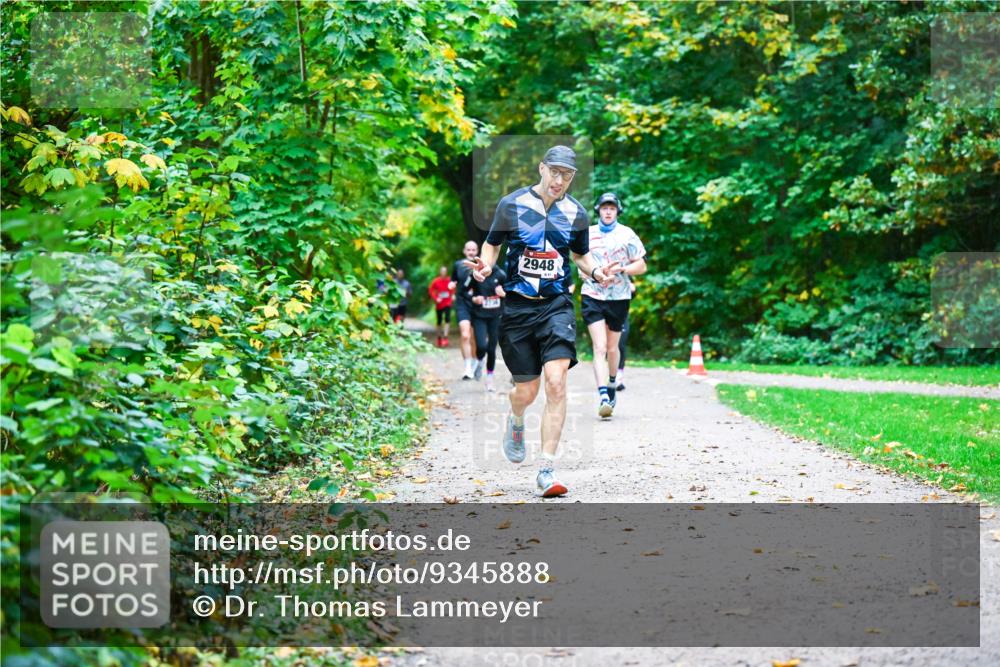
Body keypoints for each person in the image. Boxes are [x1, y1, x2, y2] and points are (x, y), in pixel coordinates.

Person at [466, 145, 615, 497]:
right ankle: (515, 418)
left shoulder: (576, 213)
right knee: (526, 391)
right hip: (517, 308)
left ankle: (547, 469)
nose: (560, 180)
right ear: (542, 169)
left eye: (568, 175)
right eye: (555, 172)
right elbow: (492, 245)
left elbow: (579, 255)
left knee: (556, 383)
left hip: (556, 305)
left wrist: (595, 271)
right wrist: (487, 266)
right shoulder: (512, 205)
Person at [580, 192, 646, 418]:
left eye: (612, 208)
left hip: (619, 296)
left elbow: (642, 265)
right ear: (598, 209)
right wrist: (593, 274)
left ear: (617, 211)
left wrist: (623, 270)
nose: (608, 211)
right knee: (598, 347)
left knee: (611, 348)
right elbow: (580, 266)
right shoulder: (587, 234)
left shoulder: (627, 234)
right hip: (592, 294)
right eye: (604, 207)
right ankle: (603, 397)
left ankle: (611, 383)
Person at [470, 264, 507, 392]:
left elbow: (512, 294)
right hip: (479, 315)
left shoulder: (501, 274)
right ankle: (480, 362)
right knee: (481, 346)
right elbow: (465, 293)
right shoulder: (476, 274)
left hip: (496, 316)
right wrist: (474, 299)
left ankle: (489, 379)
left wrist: (503, 294)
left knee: (492, 349)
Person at [452, 241, 479, 379]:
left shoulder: (482, 266)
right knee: (465, 335)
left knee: (475, 338)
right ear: (464, 251)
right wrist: (452, 284)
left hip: (477, 305)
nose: (471, 252)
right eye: (468, 249)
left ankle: (474, 363)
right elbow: (454, 280)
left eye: (474, 250)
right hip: (462, 303)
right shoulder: (458, 265)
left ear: (477, 251)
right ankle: (467, 367)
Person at [428, 266, 454, 347]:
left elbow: (453, 288)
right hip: (439, 304)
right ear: (440, 272)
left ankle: (445, 337)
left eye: (445, 271)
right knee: (439, 321)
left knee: (447, 319)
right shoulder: (436, 281)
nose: (443, 272)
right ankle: (439, 338)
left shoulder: (449, 280)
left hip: (447, 303)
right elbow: (431, 290)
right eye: (442, 271)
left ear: (446, 272)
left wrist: (453, 295)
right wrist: (436, 298)